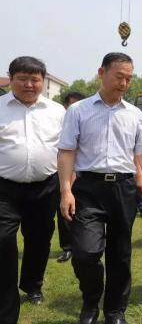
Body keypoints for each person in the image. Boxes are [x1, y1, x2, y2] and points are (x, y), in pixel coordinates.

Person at [57, 52, 142, 324]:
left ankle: (115, 311)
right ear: (102, 73)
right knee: (85, 252)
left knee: (121, 254)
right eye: (119, 76)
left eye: (129, 78)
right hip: (88, 188)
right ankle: (91, 302)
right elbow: (66, 152)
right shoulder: (79, 111)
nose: (124, 83)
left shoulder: (135, 114)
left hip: (123, 189)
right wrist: (66, 190)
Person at [0, 56, 65, 324]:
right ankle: (6, 310)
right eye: (22, 79)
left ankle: (32, 284)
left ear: (43, 81)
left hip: (45, 187)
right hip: (4, 189)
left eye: (35, 79)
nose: (29, 84)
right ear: (11, 79)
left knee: (39, 240)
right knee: (3, 243)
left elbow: (67, 149)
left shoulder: (57, 111)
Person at [55, 91, 85, 264]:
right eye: (71, 105)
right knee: (63, 212)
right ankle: (67, 247)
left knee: (81, 212)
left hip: (80, 174)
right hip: (57, 173)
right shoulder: (58, 122)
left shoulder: (85, 121)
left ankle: (81, 244)